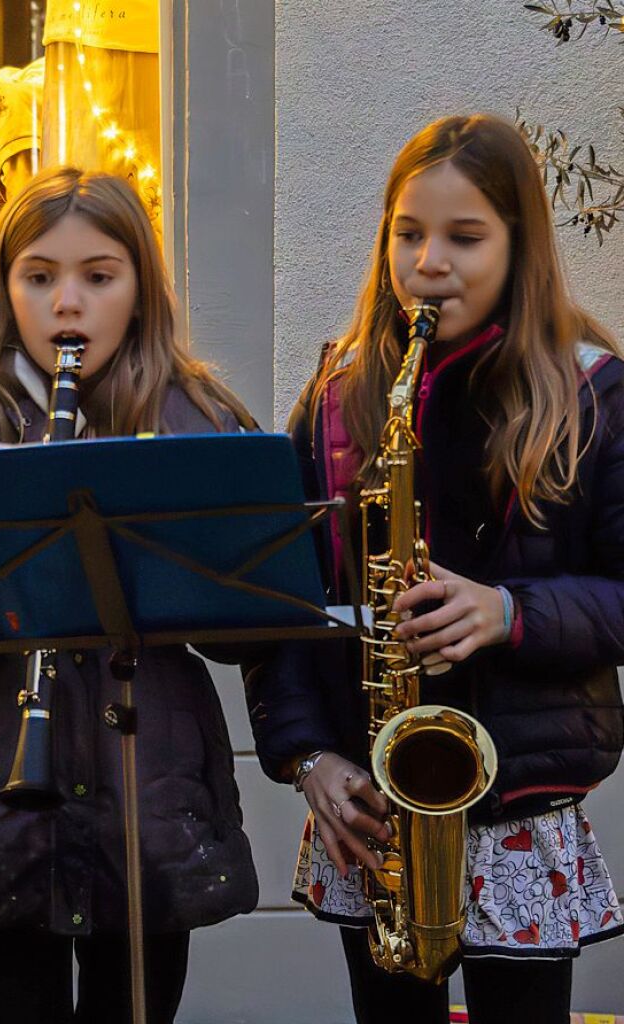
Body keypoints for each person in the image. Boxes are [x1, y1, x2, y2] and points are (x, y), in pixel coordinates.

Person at [244, 113, 624, 1024]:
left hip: (522, 806)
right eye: (407, 234)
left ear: (520, 246)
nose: (430, 262)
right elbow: (282, 608)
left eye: (465, 237)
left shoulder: (594, 393)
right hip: (373, 807)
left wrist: (508, 612)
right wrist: (307, 758)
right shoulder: (336, 398)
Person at [0, 167, 259, 1024]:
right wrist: (4, 593)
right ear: (3, 286)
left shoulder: (195, 416)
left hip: (147, 797)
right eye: (39, 276)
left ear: (140, 288)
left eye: (99, 276)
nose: (68, 304)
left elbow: (248, 629)